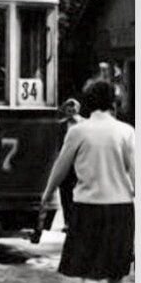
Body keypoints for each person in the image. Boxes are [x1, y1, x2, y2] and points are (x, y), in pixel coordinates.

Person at [40, 80, 135, 283]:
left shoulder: (78, 132)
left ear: (89, 103)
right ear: (114, 103)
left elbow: (61, 168)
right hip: (121, 207)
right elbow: (138, 175)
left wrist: (47, 194)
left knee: (90, 270)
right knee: (117, 268)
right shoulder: (126, 132)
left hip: (87, 207)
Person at [57, 98, 84, 234]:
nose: (71, 112)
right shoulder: (60, 125)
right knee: (65, 193)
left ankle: (80, 221)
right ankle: (68, 222)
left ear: (78, 110)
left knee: (80, 192)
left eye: (73, 109)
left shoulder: (85, 124)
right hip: (66, 163)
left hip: (81, 162)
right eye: (68, 109)